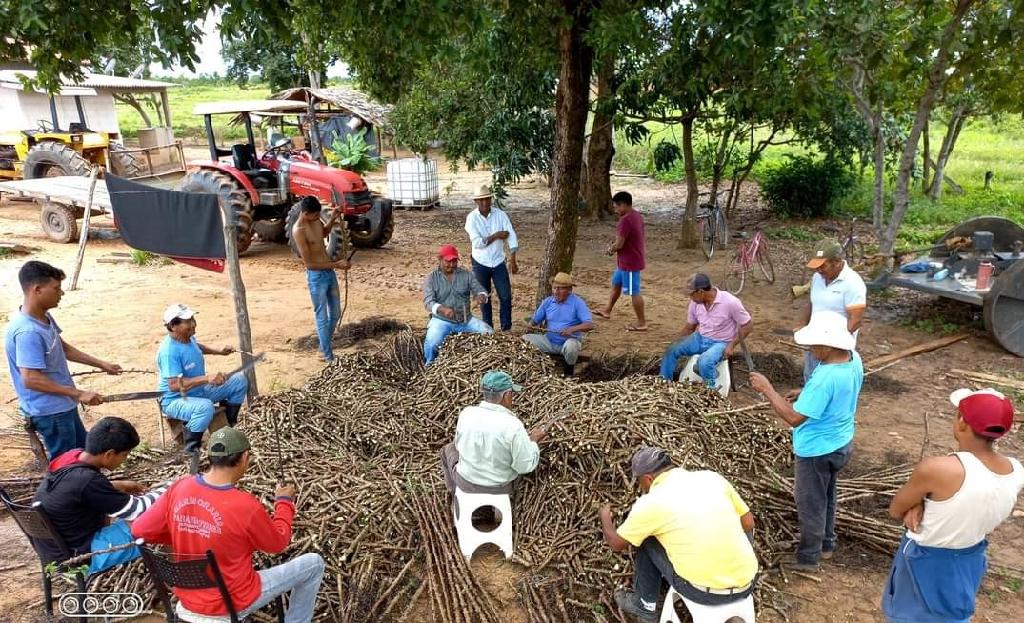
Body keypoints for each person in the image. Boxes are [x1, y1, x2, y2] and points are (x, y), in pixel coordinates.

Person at [132, 427, 325, 622]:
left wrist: (184, 531)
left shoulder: (180, 486)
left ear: (211, 457)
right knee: (313, 564)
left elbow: (139, 529)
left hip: (188, 597)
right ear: (245, 457)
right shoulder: (244, 505)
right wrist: (284, 503)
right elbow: (278, 544)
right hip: (232, 602)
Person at [882, 388, 1023, 623]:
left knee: (910, 616)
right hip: (971, 557)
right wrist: (924, 502)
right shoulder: (1015, 470)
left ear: (961, 423)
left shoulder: (938, 469)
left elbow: (896, 509)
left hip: (925, 560)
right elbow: (967, 503)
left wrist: (918, 503)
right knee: (953, 615)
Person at [749, 311, 863, 571]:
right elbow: (840, 391)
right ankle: (826, 544)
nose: (810, 350)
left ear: (828, 345)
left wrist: (768, 389)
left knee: (811, 503)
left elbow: (793, 417)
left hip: (817, 450)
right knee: (828, 496)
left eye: (813, 345)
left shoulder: (825, 378)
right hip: (841, 442)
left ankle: (808, 557)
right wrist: (807, 392)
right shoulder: (853, 360)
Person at [599, 447, 758, 623]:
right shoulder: (712, 478)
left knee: (645, 539)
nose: (640, 487)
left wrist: (604, 517)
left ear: (648, 478)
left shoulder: (651, 503)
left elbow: (616, 544)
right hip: (748, 583)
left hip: (703, 592)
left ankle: (645, 606)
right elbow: (748, 522)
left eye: (639, 482)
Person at [5, 261, 122, 459]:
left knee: (83, 456)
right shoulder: (28, 332)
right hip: (51, 411)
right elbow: (31, 379)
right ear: (37, 289)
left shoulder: (43, 317)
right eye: (57, 288)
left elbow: (63, 348)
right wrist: (79, 393)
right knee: (66, 465)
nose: (62, 293)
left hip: (62, 405)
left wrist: (101, 364)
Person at [33, 417, 168, 574]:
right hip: (78, 559)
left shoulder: (71, 457)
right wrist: (172, 488)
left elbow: (77, 491)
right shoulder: (88, 481)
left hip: (53, 551)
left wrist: (120, 485)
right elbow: (137, 509)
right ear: (109, 454)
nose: (124, 460)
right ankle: (172, 576)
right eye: (125, 455)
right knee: (155, 521)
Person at [157, 303, 248, 472]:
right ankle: (192, 451)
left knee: (238, 381)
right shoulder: (168, 352)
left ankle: (230, 427)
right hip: (176, 399)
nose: (193, 323)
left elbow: (197, 347)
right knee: (205, 408)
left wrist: (219, 352)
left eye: (192, 318)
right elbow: (174, 385)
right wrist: (206, 378)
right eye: (187, 321)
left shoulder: (188, 337)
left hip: (199, 391)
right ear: (173, 326)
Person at [441, 370, 547, 494]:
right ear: (506, 396)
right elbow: (524, 467)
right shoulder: (513, 425)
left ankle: (454, 491)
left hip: (466, 482)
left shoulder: (466, 414)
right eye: (512, 393)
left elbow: (459, 447)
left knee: (448, 449)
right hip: (500, 488)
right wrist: (533, 442)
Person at [659, 273, 752, 389]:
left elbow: (747, 325)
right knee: (672, 349)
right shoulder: (695, 303)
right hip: (700, 337)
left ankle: (711, 390)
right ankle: (663, 383)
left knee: (705, 362)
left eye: (691, 294)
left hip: (721, 343)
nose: (690, 298)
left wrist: (732, 345)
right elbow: (690, 327)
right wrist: (675, 342)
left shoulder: (730, 302)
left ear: (701, 292)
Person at [291, 196, 351, 362]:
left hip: (329, 272)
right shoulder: (299, 230)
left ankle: (323, 347)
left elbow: (323, 233)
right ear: (305, 214)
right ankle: (327, 354)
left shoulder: (315, 221)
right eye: (315, 215)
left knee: (336, 313)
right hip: (316, 277)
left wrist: (332, 218)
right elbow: (309, 264)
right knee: (322, 316)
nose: (318, 218)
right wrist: (337, 264)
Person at [798, 240, 866, 381]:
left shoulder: (853, 283)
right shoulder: (818, 278)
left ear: (837, 262)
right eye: (817, 267)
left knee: (827, 385)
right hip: (815, 343)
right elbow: (812, 302)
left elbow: (856, 320)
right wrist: (803, 326)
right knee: (811, 380)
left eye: (823, 266)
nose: (819, 270)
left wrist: (836, 346)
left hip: (834, 350)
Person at [422, 244, 493, 364]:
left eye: (454, 261)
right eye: (448, 261)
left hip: (466, 320)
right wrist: (443, 309)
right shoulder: (431, 278)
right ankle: (429, 365)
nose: (451, 265)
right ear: (440, 260)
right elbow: (428, 302)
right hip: (441, 320)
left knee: (489, 334)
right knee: (432, 344)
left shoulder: (466, 275)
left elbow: (480, 289)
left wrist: (482, 295)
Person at [465, 184, 519, 331]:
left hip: (498, 261)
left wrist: (513, 257)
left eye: (487, 199)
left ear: (491, 199)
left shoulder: (500, 215)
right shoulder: (471, 219)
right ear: (476, 201)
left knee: (506, 296)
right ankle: (488, 328)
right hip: (480, 263)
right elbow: (477, 243)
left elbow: (510, 234)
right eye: (481, 200)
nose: (484, 203)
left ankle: (506, 328)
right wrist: (496, 235)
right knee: (484, 297)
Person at [524, 272, 594, 377]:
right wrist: (530, 326)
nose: (556, 292)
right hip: (549, 341)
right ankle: (536, 368)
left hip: (568, 342)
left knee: (571, 347)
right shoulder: (548, 302)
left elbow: (589, 325)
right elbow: (535, 320)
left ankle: (568, 371)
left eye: (561, 288)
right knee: (525, 339)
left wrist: (572, 329)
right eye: (554, 288)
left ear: (569, 289)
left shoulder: (577, 303)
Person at [595, 191, 647, 331]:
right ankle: (607, 310)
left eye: (616, 207)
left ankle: (641, 322)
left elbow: (619, 244)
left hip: (629, 263)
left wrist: (610, 249)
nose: (616, 210)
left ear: (623, 205)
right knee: (616, 283)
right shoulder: (636, 215)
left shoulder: (624, 221)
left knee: (634, 292)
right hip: (627, 260)